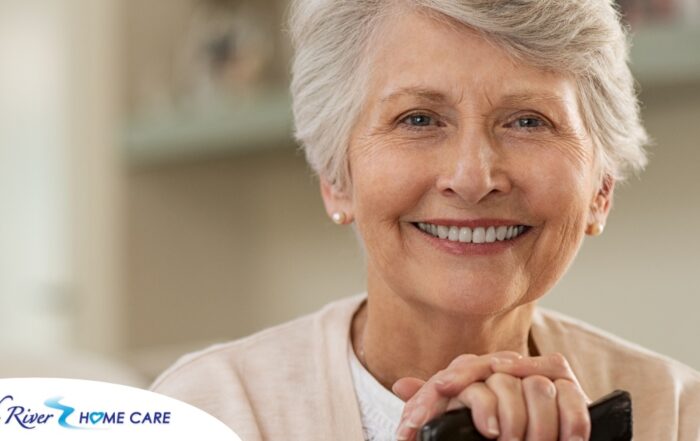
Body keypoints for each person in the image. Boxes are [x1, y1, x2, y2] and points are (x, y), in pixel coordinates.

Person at [151, 1, 700, 440]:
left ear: (602, 189)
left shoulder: (677, 414)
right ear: (336, 177)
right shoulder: (208, 410)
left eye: (528, 121)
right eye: (418, 118)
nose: (473, 176)